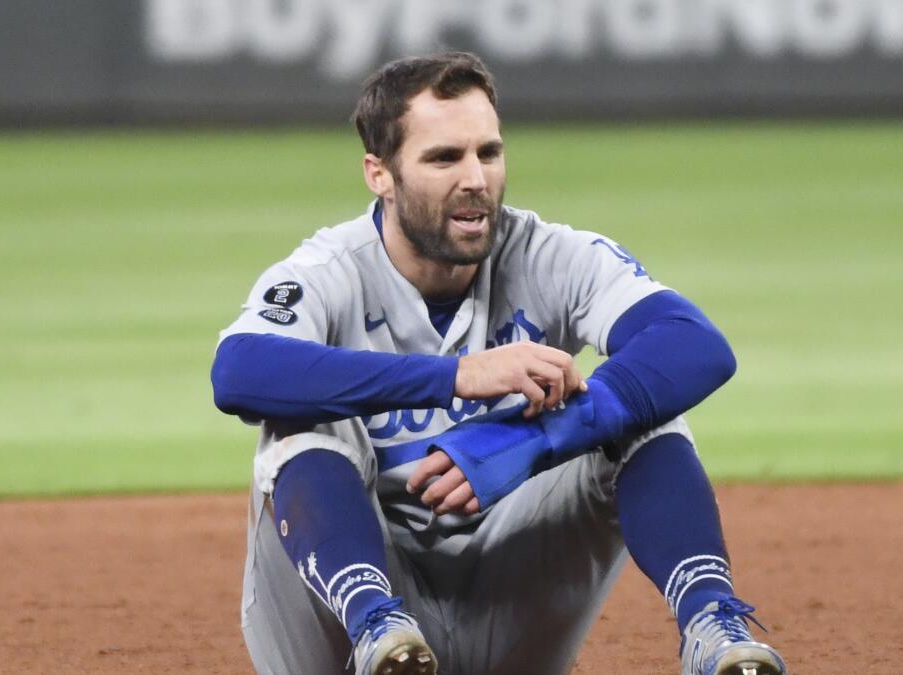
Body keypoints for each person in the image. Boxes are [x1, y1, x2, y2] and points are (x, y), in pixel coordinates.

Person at [211, 51, 788, 675]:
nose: (476, 178)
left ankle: (712, 629)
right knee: (298, 420)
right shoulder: (328, 271)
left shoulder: (549, 255)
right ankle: (379, 626)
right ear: (379, 174)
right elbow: (239, 372)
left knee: (642, 412)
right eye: (444, 157)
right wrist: (455, 378)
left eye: (488, 152)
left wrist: (533, 439)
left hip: (512, 605)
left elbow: (694, 343)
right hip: (342, 633)